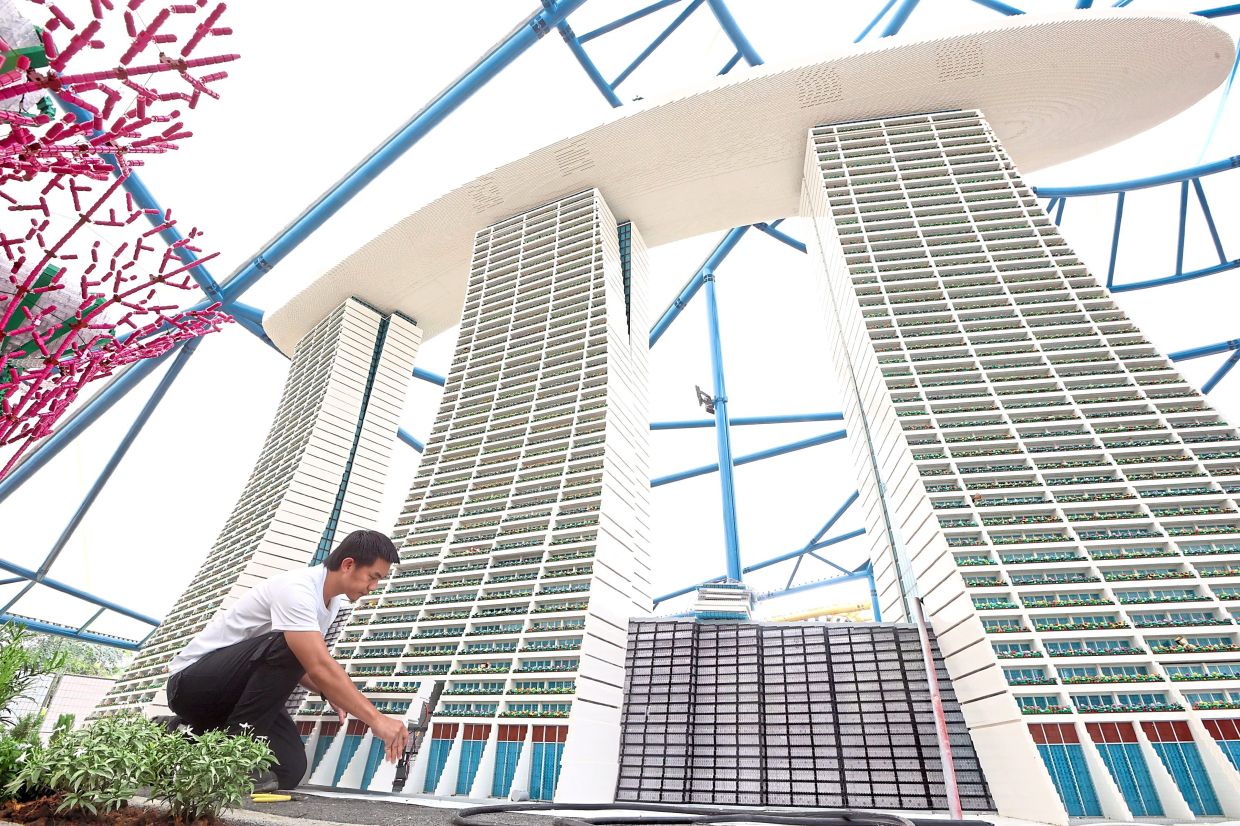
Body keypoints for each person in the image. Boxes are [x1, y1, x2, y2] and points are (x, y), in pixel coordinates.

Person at [165, 530, 409, 791]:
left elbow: (300, 665)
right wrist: (376, 719)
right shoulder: (297, 589)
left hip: (234, 697)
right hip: (191, 685)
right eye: (373, 578)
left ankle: (187, 736)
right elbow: (314, 662)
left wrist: (330, 693)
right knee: (291, 645)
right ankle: (233, 754)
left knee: (288, 769)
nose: (373, 588)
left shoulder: (331, 604)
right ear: (348, 564)